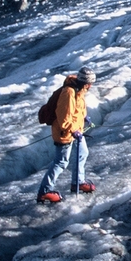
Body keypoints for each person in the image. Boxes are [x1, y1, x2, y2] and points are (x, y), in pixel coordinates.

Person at [37, 66, 96, 203]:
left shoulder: (79, 91)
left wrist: (84, 118)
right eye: (90, 83)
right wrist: (72, 129)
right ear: (86, 83)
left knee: (82, 153)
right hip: (65, 132)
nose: (91, 86)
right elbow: (64, 117)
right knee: (61, 162)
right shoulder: (69, 93)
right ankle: (44, 191)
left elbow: (77, 110)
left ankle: (78, 182)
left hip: (76, 130)